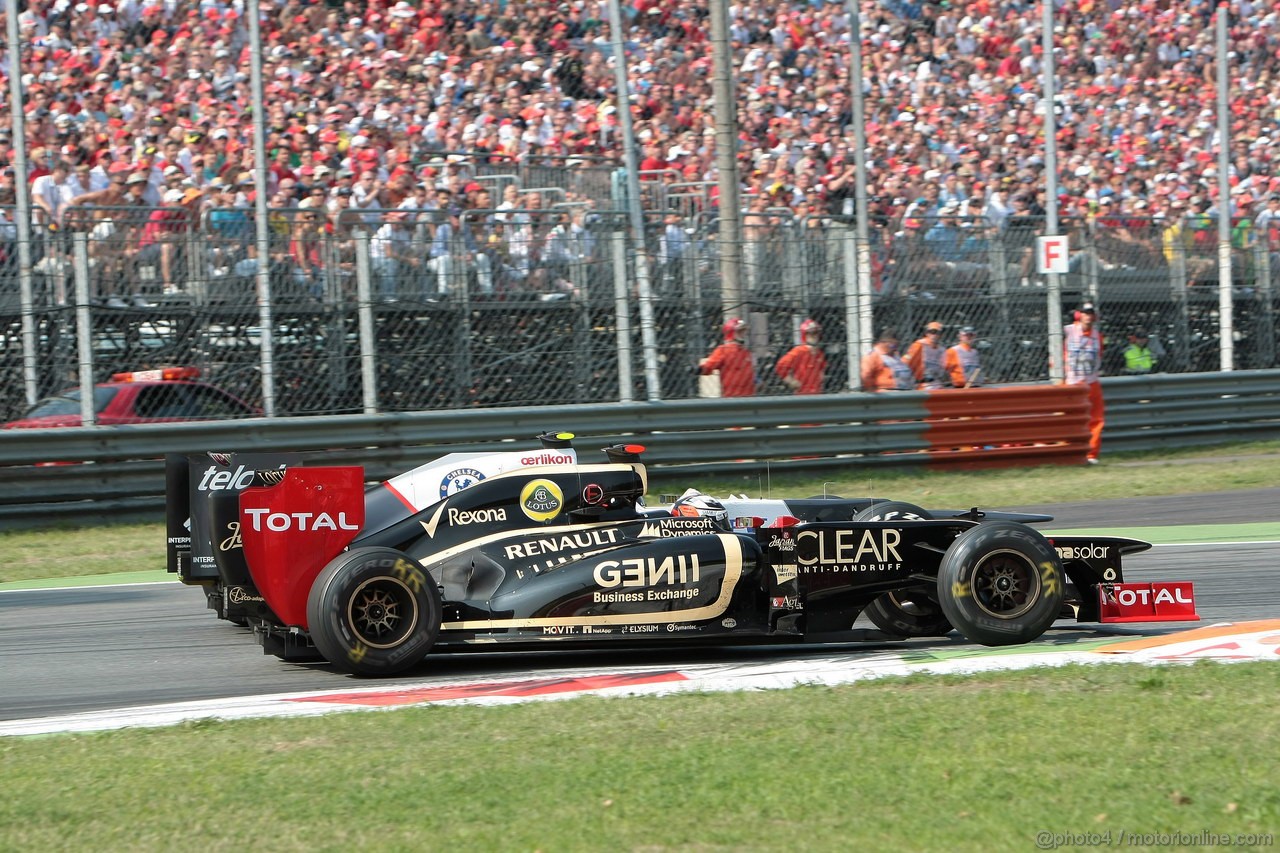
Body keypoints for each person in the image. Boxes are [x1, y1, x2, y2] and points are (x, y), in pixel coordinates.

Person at [1064, 303, 1104, 464]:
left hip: (1091, 382)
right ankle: (1069, 451)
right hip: (1072, 382)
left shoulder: (1097, 335)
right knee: (1069, 418)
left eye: (1091, 313)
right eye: (1085, 313)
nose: (1088, 316)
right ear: (1078, 315)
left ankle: (1091, 454)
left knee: (1096, 419)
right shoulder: (1067, 331)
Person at [700, 317, 756, 397]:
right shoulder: (723, 350)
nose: (743, 335)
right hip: (732, 395)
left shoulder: (746, 353)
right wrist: (700, 369)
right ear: (731, 332)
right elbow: (710, 365)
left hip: (749, 395)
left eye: (743, 332)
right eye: (740, 332)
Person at [774, 318, 826, 394]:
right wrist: (791, 381)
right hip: (803, 393)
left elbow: (822, 370)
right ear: (804, 334)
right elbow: (780, 366)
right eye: (811, 333)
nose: (815, 335)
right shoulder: (798, 351)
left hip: (817, 392)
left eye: (817, 332)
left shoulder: (819, 353)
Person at [905, 321, 948, 389]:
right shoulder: (919, 345)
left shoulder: (942, 349)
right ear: (927, 333)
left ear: (941, 335)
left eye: (937, 333)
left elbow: (944, 368)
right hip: (922, 383)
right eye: (932, 332)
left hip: (936, 383)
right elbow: (906, 361)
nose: (934, 335)